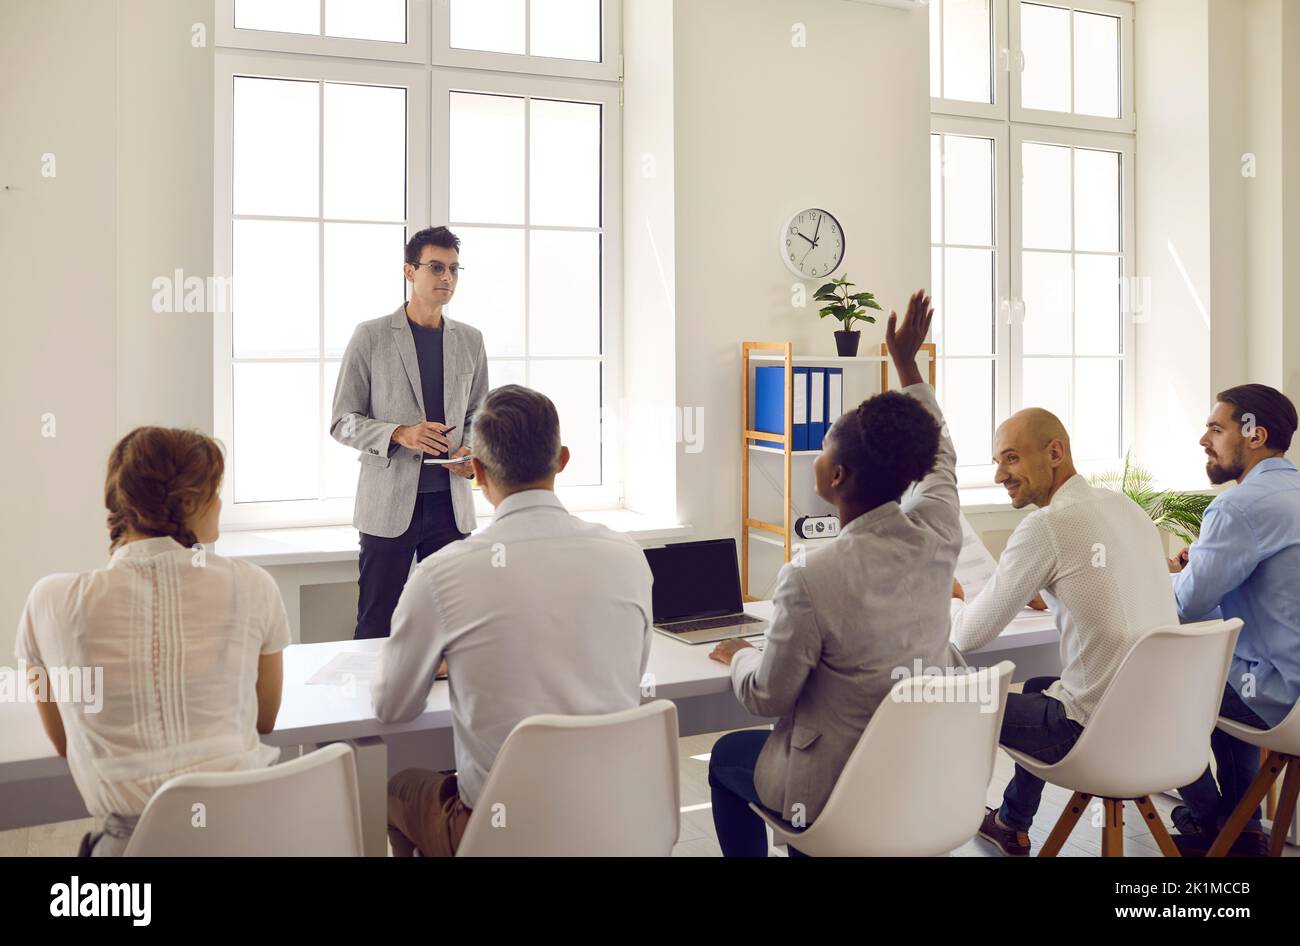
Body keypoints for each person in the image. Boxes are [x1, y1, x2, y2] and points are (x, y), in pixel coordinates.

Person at [706, 290, 961, 857]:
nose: (816, 458)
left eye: (821, 450)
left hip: (832, 791)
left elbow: (768, 696)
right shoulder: (938, 534)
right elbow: (940, 454)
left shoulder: (810, 578)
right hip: (915, 778)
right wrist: (906, 364)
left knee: (727, 757)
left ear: (837, 476)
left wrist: (739, 655)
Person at [373, 385, 653, 857]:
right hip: (614, 824)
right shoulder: (626, 556)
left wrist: (454, 661)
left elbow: (392, 708)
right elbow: (631, 667)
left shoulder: (441, 573)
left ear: (477, 472)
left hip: (501, 835)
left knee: (397, 789)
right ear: (562, 459)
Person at [15, 427, 289, 856]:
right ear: (188, 503)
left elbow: (68, 741)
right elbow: (264, 719)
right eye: (214, 491)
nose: (220, 503)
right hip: (248, 840)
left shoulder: (51, 601)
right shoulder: (253, 586)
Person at [951, 409, 1178, 856]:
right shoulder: (1124, 506)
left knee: (950, 702)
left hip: (1091, 735)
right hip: (1164, 727)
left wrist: (954, 598)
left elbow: (966, 638)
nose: (1000, 475)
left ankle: (923, 830)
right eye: (998, 462)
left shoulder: (1047, 525)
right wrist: (1048, 591)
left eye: (1011, 459)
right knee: (1040, 686)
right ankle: (1012, 822)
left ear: (1055, 452)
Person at [330, 226, 489, 639]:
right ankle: (370, 705)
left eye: (454, 269)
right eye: (436, 267)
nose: (447, 278)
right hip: (388, 508)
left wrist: (472, 450)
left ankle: (447, 705)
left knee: (452, 626)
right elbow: (342, 421)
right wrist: (400, 433)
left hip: (451, 509)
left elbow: (479, 413)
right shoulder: (371, 336)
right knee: (376, 623)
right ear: (408, 271)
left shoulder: (471, 340)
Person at [1167, 384, 1300, 856]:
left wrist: (1154, 579)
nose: (1205, 440)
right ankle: (1241, 831)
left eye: (1216, 429)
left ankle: (1214, 819)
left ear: (1255, 435)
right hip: (1285, 685)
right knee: (1228, 668)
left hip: (1281, 699)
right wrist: (1203, 563)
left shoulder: (1238, 506)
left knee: (1155, 685)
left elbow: (1185, 607)